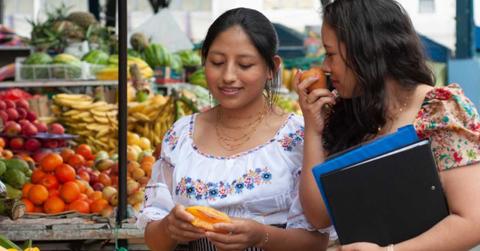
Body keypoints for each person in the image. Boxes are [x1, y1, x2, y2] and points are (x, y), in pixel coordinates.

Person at [137, 7, 330, 251]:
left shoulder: (298, 137)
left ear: (272, 68)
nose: (228, 76)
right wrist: (169, 228)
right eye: (217, 62)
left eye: (245, 65)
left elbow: (318, 241)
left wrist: (261, 236)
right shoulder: (180, 136)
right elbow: (154, 239)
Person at [297, 0, 480, 250]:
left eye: (330, 54)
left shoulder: (441, 110)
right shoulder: (348, 113)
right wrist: (313, 129)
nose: (326, 68)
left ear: (366, 50)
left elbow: (472, 221)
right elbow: (319, 216)